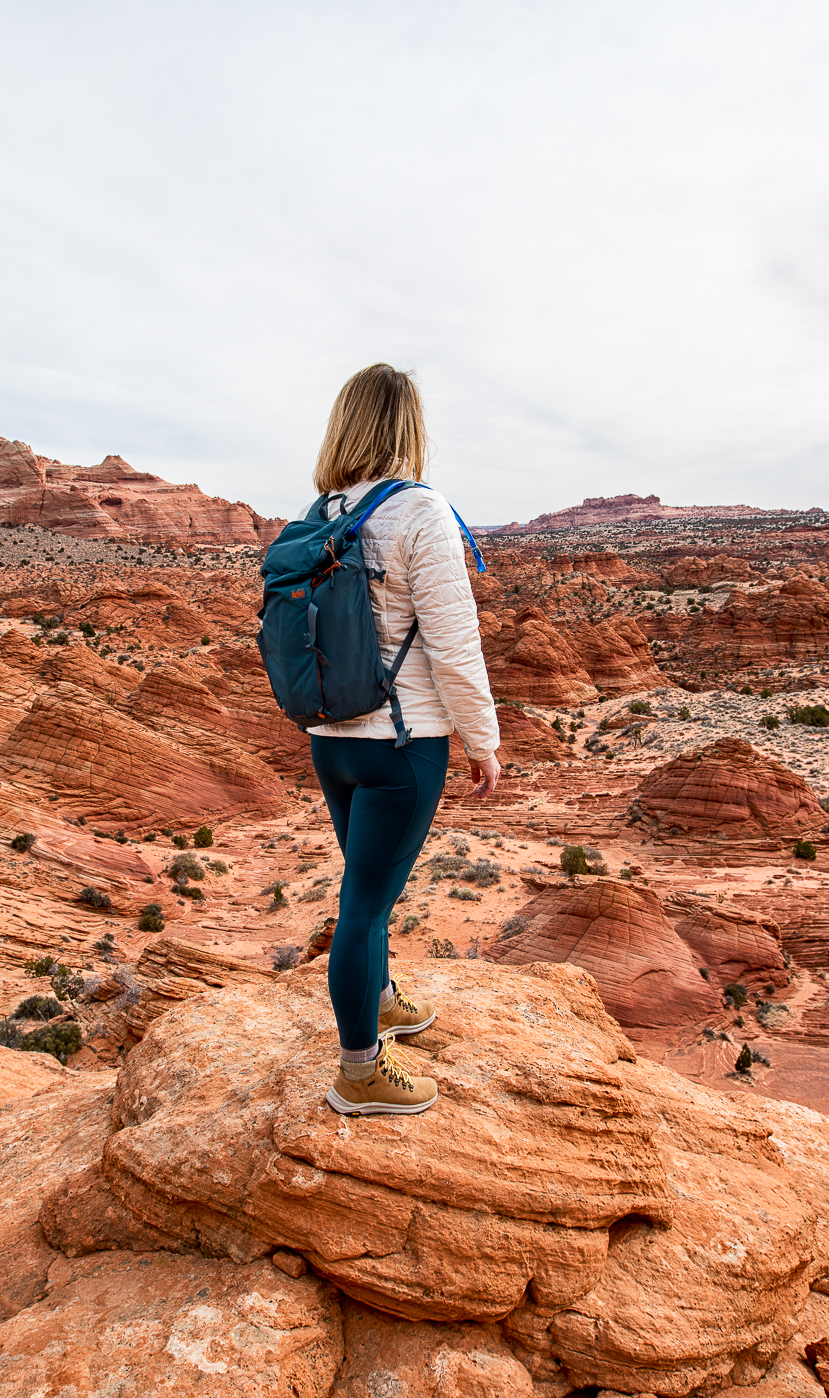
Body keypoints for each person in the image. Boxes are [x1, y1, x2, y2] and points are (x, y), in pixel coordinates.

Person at [305, 363, 500, 1117]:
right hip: (402, 745)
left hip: (334, 741)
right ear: (408, 427)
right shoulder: (421, 512)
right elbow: (454, 645)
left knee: (369, 889)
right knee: (364, 905)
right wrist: (481, 739)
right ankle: (360, 1072)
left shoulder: (323, 511)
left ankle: (380, 998)